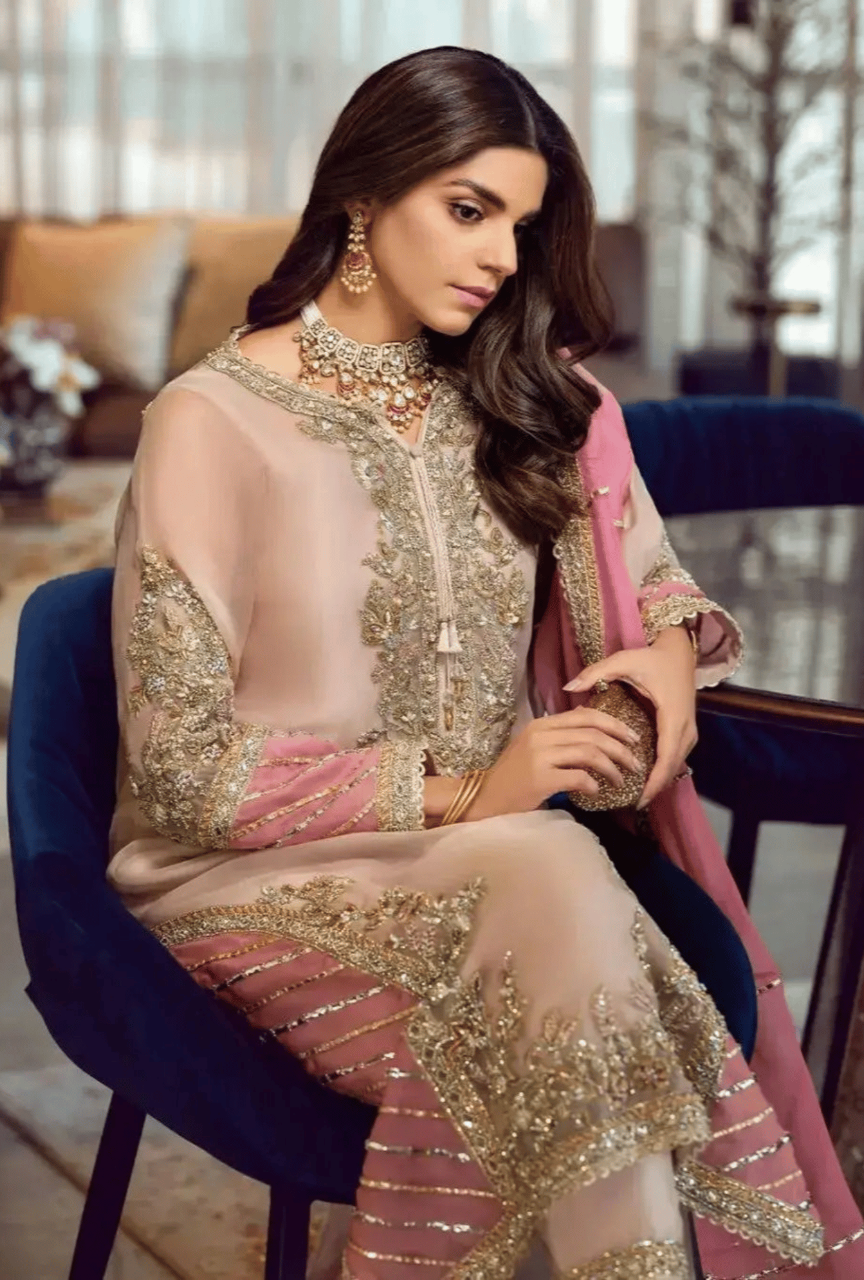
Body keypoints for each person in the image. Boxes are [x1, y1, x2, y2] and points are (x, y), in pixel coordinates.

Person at [107, 46, 863, 1280]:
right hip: (248, 879)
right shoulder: (213, 419)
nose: (504, 257)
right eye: (470, 211)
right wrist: (474, 791)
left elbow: (647, 575)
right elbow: (183, 770)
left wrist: (664, 657)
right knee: (558, 887)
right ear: (363, 196)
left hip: (508, 868)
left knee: (546, 888)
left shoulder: (522, 396)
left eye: (522, 222)